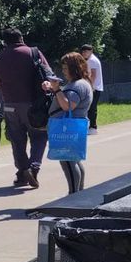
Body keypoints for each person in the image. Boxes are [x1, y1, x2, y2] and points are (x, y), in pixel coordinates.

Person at [0, 28, 57, 188]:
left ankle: (22, 172)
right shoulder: (33, 53)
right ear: (21, 38)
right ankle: (33, 167)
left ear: (4, 40)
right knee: (39, 135)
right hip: (34, 104)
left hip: (10, 105)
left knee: (16, 139)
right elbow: (48, 74)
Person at [44, 52, 94, 194]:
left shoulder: (78, 85)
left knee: (68, 161)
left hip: (67, 128)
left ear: (74, 68)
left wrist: (57, 89)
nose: (64, 71)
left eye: (66, 68)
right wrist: (54, 89)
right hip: (73, 127)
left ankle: (73, 195)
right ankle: (79, 193)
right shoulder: (82, 83)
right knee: (74, 160)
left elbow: (67, 106)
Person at [79, 44, 103, 135]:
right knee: (89, 107)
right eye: (83, 51)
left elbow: (93, 75)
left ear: (91, 51)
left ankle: (93, 127)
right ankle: (89, 126)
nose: (84, 53)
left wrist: (88, 86)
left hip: (94, 88)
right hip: (93, 87)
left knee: (92, 108)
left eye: (86, 51)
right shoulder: (89, 60)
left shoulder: (92, 60)